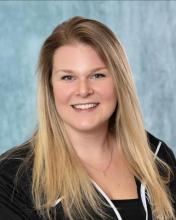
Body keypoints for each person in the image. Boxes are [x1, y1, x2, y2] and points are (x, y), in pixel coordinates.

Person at [0, 16, 175, 220]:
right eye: (68, 77)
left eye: (97, 75)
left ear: (119, 81)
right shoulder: (13, 178)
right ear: (50, 87)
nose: (83, 91)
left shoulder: (157, 157)